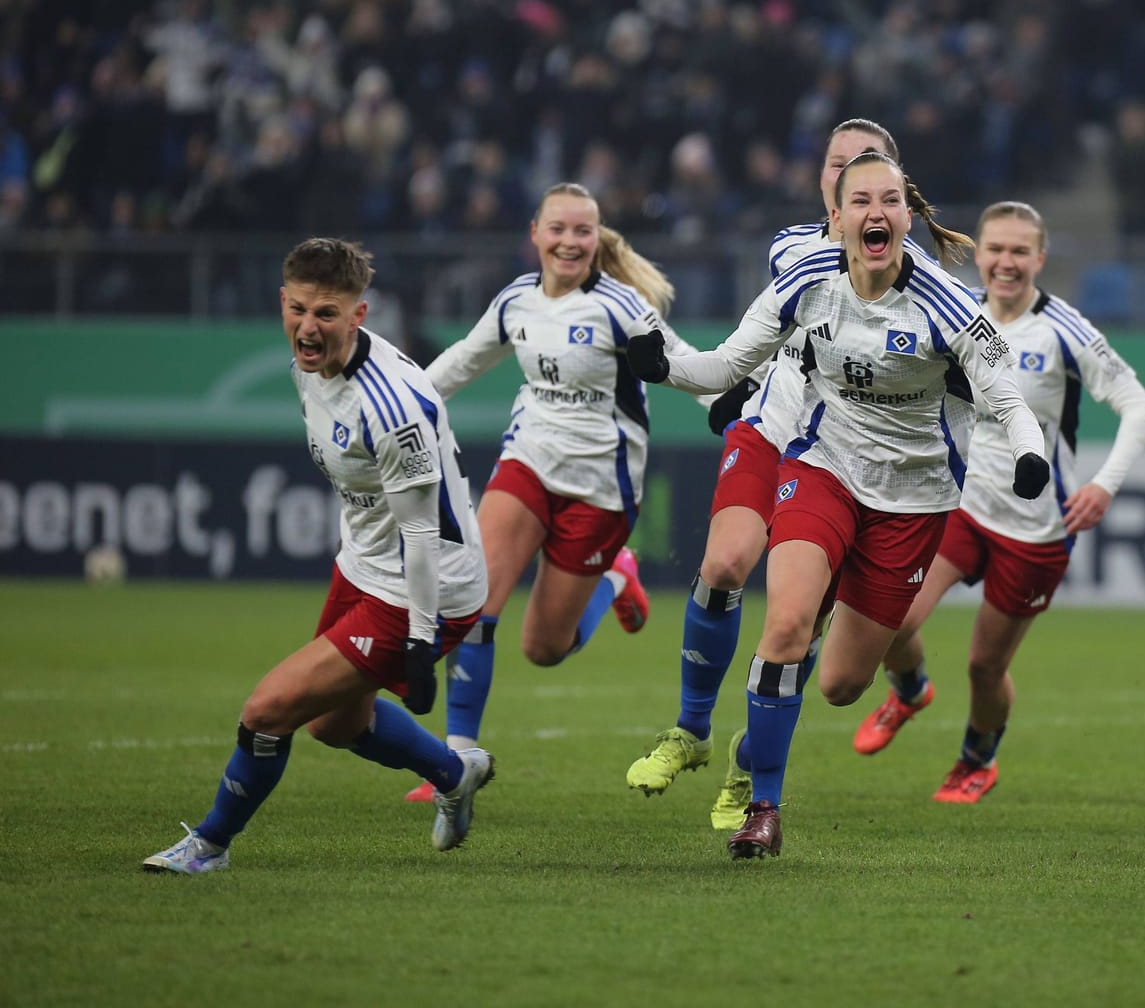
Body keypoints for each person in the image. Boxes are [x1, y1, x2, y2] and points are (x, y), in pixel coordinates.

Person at [626, 151, 1050, 859]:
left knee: (843, 685)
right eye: (861, 202)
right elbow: (729, 365)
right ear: (839, 217)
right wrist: (664, 365)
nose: (875, 214)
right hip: (822, 468)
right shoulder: (807, 283)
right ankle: (764, 807)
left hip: (913, 504)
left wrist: (1030, 454)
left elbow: (1006, 394)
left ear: (907, 218)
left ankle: (762, 738)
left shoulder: (948, 305)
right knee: (786, 625)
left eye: (889, 202)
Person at [623, 118, 938, 833]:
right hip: (773, 431)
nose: (848, 180)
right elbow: (759, 344)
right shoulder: (792, 250)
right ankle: (691, 730)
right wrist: (718, 395)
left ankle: (750, 760)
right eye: (836, 167)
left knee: (804, 633)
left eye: (869, 175)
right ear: (828, 188)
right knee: (727, 560)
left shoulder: (923, 284)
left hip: (844, 456)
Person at [144, 239, 494, 874]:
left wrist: (420, 643)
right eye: (298, 309)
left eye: (326, 314)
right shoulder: (307, 366)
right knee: (332, 725)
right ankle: (453, 773)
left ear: (359, 315)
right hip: (364, 564)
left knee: (268, 711)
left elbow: (420, 535)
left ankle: (209, 845)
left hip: (428, 587)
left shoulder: (393, 409)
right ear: (282, 301)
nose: (308, 327)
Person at [851, 200, 1145, 802]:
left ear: (1040, 258)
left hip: (1035, 529)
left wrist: (1104, 484)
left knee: (984, 667)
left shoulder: (1064, 329)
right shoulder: (956, 311)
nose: (1006, 262)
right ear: (979, 253)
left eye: (1020, 251)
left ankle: (977, 759)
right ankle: (911, 690)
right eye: (995, 249)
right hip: (960, 505)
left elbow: (1139, 406)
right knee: (891, 620)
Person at [399, 183, 688, 801]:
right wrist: (394, 408)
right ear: (535, 232)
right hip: (527, 462)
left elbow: (684, 365)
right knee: (477, 601)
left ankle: (615, 576)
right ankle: (458, 758)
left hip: (600, 488)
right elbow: (459, 364)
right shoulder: (515, 302)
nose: (569, 241)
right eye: (557, 229)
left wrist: (739, 409)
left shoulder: (621, 307)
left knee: (544, 648)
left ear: (597, 238)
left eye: (582, 231)